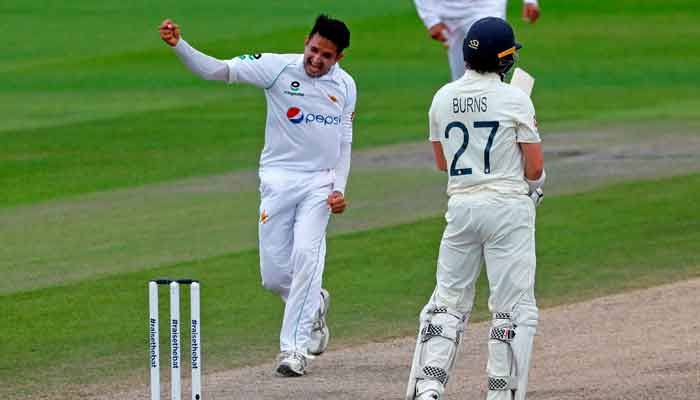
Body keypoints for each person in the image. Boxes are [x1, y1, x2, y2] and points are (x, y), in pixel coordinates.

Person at [159, 14, 356, 377]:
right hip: (278, 181)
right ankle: (313, 304)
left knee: (307, 258)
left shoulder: (345, 85)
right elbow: (216, 70)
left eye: (326, 55)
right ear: (306, 42)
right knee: (274, 276)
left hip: (320, 184)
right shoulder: (276, 68)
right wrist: (179, 46)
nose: (316, 59)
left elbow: (344, 140)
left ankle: (293, 351)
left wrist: (339, 188)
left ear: (339, 57)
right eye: (313, 50)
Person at [405, 17, 545, 400]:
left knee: (448, 304)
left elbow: (442, 163)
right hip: (506, 208)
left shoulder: (442, 97)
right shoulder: (516, 98)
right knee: (511, 310)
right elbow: (534, 169)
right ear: (504, 60)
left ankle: (429, 386)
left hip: (462, 208)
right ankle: (500, 393)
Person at [414, 0, 541, 80]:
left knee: (493, 63)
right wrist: (430, 19)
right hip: (447, 11)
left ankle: (499, 109)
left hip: (487, 6)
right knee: (461, 77)